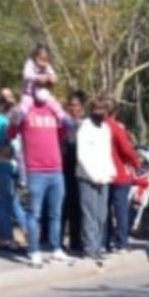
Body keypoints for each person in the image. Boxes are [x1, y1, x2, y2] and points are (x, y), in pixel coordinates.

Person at [8, 87, 72, 268]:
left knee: (55, 214)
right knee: (34, 214)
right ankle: (34, 251)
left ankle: (56, 249)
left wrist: (60, 110)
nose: (43, 90)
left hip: (56, 170)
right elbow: (10, 132)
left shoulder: (54, 111)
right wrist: (18, 112)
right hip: (35, 171)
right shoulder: (25, 111)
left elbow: (65, 130)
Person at [76, 96, 116, 265]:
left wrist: (109, 172)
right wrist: (94, 176)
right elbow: (82, 155)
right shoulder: (85, 128)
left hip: (104, 177)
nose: (101, 114)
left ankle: (98, 246)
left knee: (102, 214)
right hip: (88, 177)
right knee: (90, 214)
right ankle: (89, 248)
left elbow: (107, 153)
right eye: (98, 110)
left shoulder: (105, 128)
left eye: (104, 110)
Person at [104, 99, 141, 254]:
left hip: (103, 173)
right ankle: (121, 242)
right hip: (119, 173)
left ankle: (104, 241)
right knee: (121, 210)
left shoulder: (98, 127)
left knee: (104, 209)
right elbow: (126, 149)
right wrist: (137, 162)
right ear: (115, 112)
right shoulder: (116, 128)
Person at [0, 143, 27, 252]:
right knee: (17, 211)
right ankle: (27, 230)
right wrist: (21, 183)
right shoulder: (12, 164)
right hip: (10, 191)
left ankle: (8, 238)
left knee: (3, 214)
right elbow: (18, 177)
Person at [61, 91, 87, 253]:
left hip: (80, 170)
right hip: (64, 169)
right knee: (63, 206)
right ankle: (57, 240)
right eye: (71, 105)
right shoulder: (63, 124)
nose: (73, 108)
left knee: (77, 207)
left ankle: (76, 241)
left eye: (76, 105)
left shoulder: (85, 125)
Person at [19, 43, 65, 119]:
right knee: (25, 104)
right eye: (41, 59)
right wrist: (37, 77)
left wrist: (52, 79)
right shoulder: (30, 64)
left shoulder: (47, 66)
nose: (43, 62)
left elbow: (53, 75)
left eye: (46, 60)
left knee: (54, 103)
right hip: (29, 94)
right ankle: (19, 118)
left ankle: (63, 118)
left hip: (43, 93)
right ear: (35, 57)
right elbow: (26, 75)